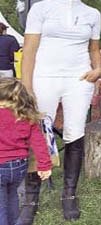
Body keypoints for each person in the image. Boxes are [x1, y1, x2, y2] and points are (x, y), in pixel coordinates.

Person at [20, 0, 101, 222]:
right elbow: (29, 50)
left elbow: (93, 48)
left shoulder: (93, 14)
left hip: (78, 79)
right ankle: (31, 197)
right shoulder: (41, 9)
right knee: (38, 133)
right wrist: (26, 85)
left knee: (74, 133)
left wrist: (98, 68)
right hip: (44, 77)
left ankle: (69, 194)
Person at [0, 78, 51, 225]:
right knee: (12, 198)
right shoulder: (26, 116)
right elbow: (39, 142)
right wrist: (44, 165)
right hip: (19, 167)